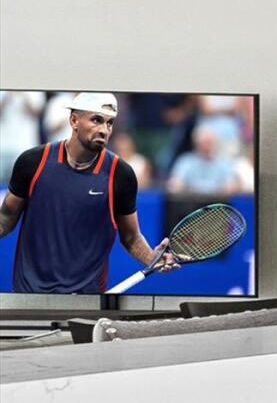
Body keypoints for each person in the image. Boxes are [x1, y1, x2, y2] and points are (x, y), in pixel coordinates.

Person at [1, 93, 180, 295]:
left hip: (87, 300)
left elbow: (131, 238)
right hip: (29, 296)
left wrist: (152, 257)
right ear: (74, 120)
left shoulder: (120, 174)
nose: (104, 130)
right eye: (96, 120)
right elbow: (6, 218)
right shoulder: (33, 162)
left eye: (109, 123)